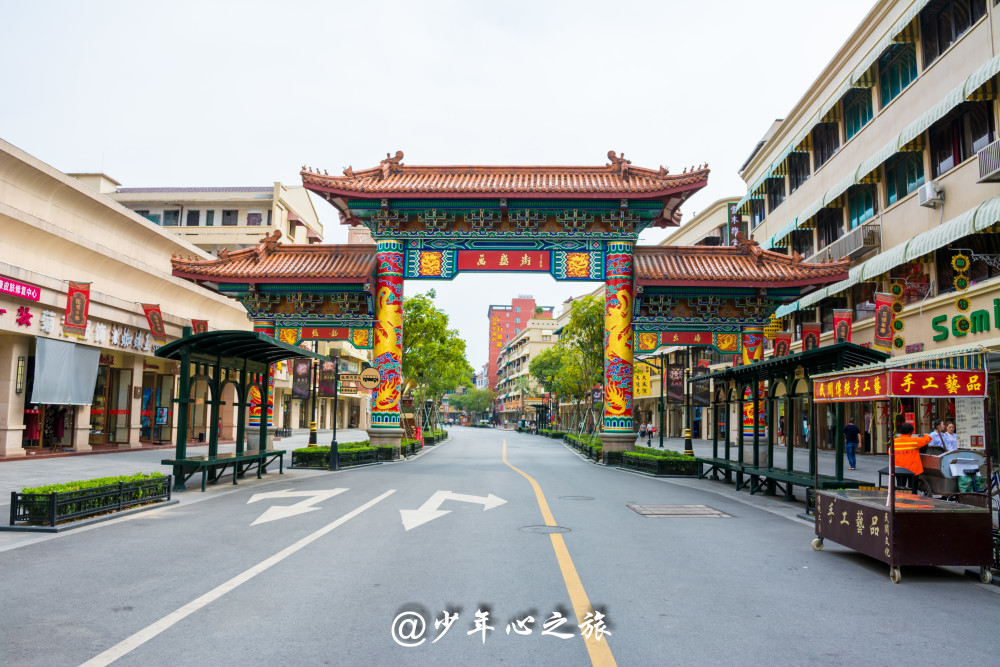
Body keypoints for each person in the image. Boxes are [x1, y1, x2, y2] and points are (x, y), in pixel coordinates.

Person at [891, 423, 931, 490]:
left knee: (900, 488)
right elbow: (927, 439)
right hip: (913, 469)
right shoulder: (914, 440)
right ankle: (912, 499)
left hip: (899, 469)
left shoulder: (895, 441)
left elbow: (890, 452)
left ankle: (901, 499)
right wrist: (926, 435)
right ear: (911, 432)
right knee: (913, 488)